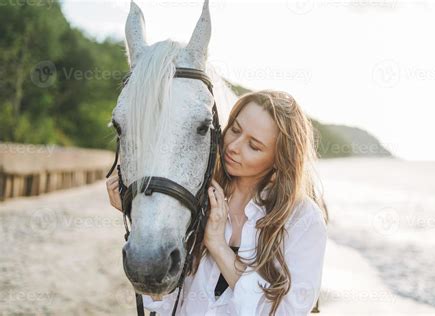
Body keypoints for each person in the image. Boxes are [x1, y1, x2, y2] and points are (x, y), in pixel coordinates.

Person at [106, 90, 329, 315]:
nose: (233, 146)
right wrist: (135, 214)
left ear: (280, 160)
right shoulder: (198, 195)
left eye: (254, 146)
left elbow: (287, 311)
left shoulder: (303, 220)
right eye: (235, 130)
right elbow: (163, 300)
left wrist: (218, 246)